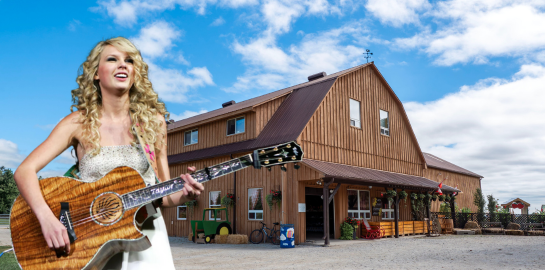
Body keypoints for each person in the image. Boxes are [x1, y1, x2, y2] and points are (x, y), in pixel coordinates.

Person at [13, 37, 204, 269]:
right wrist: (47, 219)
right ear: (96, 73)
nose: (123, 64)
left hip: (145, 237)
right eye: (112, 59)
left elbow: (164, 193)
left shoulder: (152, 123)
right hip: (89, 241)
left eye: (129, 60)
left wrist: (185, 194)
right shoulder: (77, 123)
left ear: (135, 73)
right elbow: (24, 171)